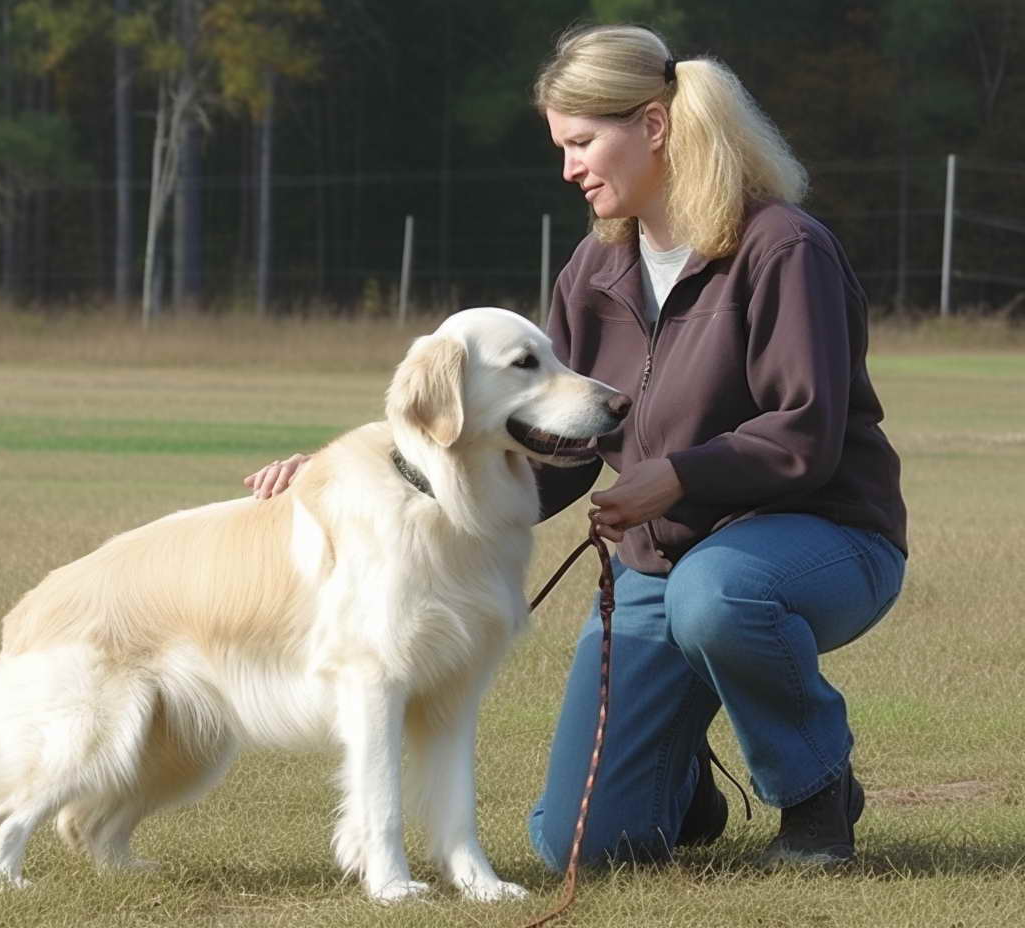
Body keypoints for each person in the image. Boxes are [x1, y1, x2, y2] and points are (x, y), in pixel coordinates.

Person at [246, 21, 907, 871]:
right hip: (660, 564)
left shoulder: (783, 247)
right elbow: (540, 444)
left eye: (584, 141)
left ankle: (818, 794)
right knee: (580, 846)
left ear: (655, 127)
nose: (569, 167)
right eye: (564, 146)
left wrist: (673, 477)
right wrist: (364, 475)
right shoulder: (593, 274)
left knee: (717, 596)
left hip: (820, 538)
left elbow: (805, 435)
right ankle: (677, 783)